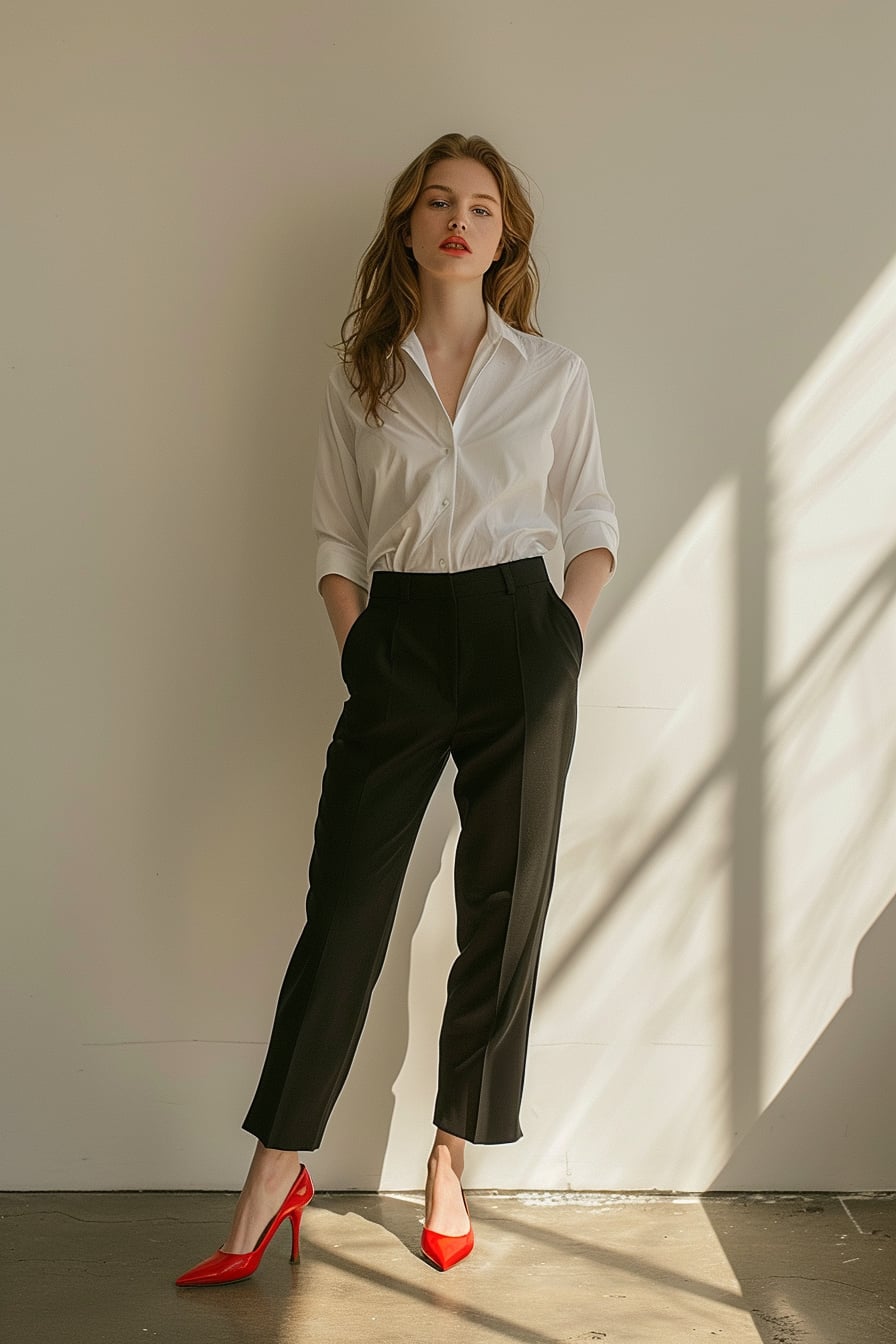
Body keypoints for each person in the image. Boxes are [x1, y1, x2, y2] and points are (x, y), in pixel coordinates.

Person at [175, 131, 619, 1286]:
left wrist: (562, 636)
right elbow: (335, 535)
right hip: (400, 642)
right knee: (346, 913)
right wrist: (359, 643)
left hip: (522, 636)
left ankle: (450, 1160)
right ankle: (276, 1171)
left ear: (503, 235)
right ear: (409, 229)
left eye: (479, 205)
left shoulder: (551, 374)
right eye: (436, 202)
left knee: (502, 905)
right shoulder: (361, 375)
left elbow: (592, 522)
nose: (457, 220)